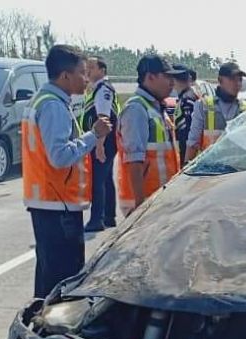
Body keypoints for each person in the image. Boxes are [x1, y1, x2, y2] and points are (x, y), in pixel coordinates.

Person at [22, 45, 111, 298]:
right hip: (57, 204)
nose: (87, 79)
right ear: (65, 76)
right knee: (63, 279)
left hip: (49, 201)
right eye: (83, 73)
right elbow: (59, 156)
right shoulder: (53, 107)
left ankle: (39, 323)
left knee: (49, 276)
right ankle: (52, 330)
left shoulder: (44, 100)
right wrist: (93, 136)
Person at [116, 54, 182, 214]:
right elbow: (134, 160)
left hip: (159, 200)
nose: (172, 83)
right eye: (167, 77)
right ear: (150, 77)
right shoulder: (137, 109)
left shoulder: (156, 107)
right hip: (145, 204)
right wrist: (140, 206)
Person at [80, 56, 120, 232]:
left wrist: (99, 145)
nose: (87, 70)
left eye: (91, 67)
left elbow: (103, 118)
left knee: (98, 179)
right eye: (86, 67)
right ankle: (109, 216)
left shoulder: (103, 89)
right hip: (104, 139)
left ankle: (97, 219)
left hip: (103, 140)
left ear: (102, 71)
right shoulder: (96, 89)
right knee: (105, 178)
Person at [186, 62, 246, 162]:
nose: (237, 83)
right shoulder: (203, 105)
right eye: (232, 79)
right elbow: (193, 143)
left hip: (237, 172)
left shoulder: (245, 109)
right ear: (220, 80)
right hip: (210, 172)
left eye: (239, 79)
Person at [170, 64, 198, 164]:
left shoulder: (187, 101)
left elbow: (189, 134)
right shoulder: (185, 98)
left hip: (186, 156)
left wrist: (185, 161)